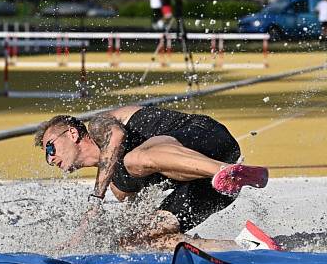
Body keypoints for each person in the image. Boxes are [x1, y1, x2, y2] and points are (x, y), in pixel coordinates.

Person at [34, 106, 279, 252]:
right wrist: (96, 234)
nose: (50, 159)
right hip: (205, 186)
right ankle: (244, 247)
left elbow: (117, 137)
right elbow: (139, 214)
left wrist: (95, 201)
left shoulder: (100, 124)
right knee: (135, 240)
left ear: (73, 133)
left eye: (50, 148)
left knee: (134, 160)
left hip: (209, 140)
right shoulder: (119, 187)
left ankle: (228, 172)